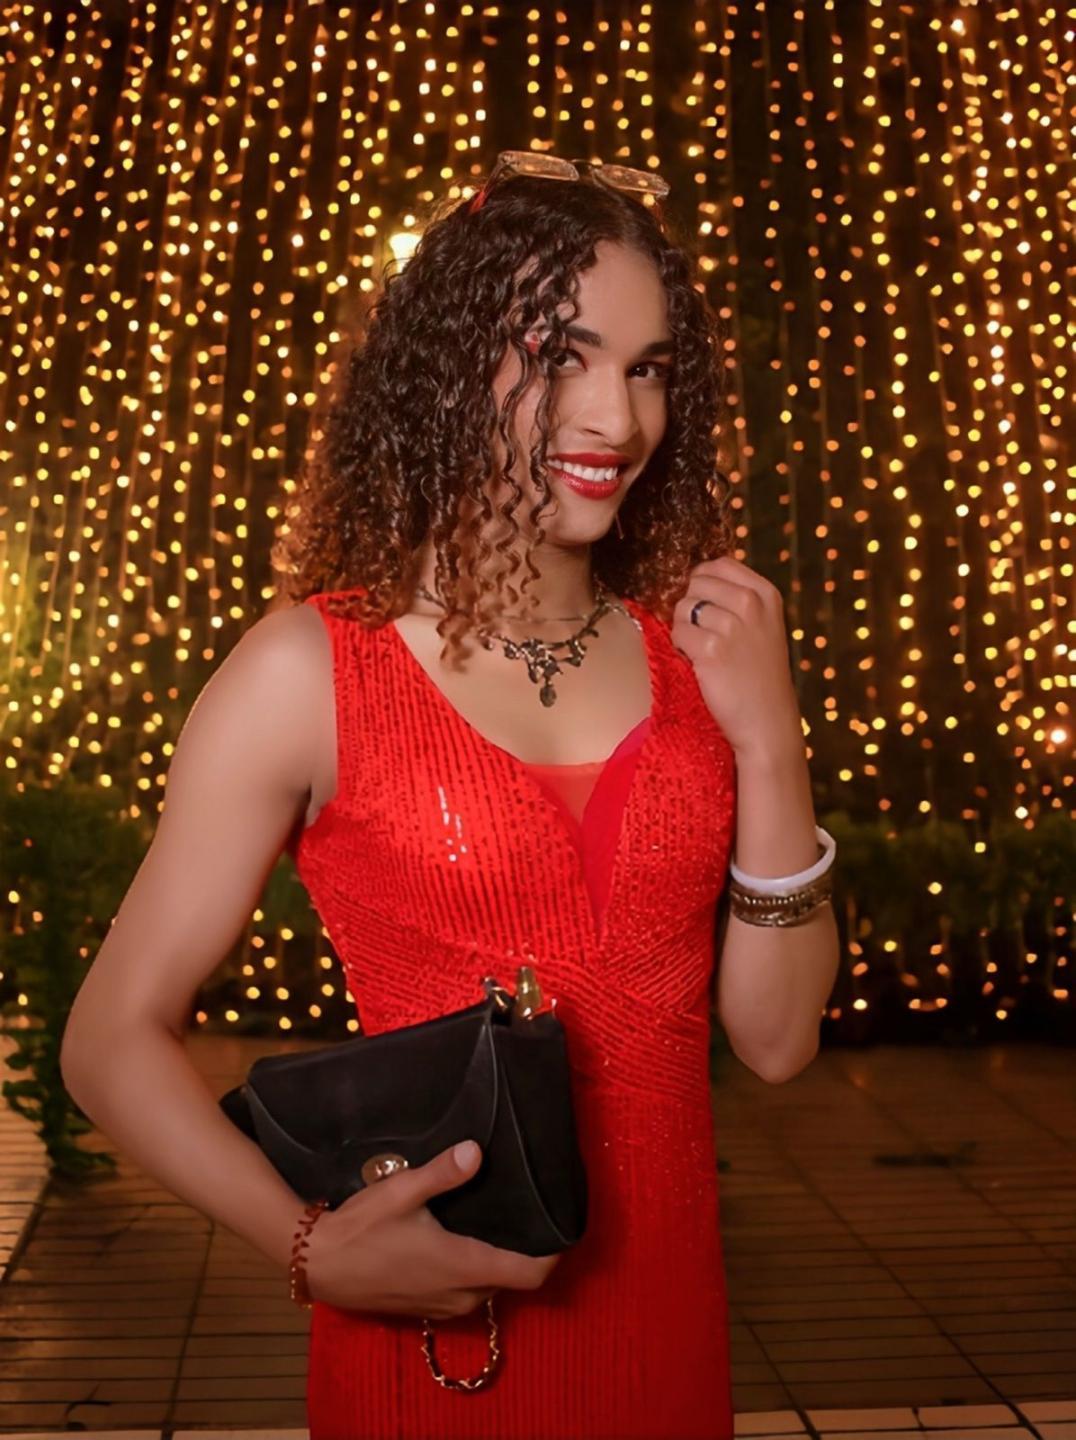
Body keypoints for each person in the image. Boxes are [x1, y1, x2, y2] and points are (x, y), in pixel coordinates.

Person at [60, 154, 831, 1438]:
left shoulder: (698, 659)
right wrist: (309, 1246)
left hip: (665, 1347)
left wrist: (770, 739)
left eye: (646, 368)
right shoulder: (309, 669)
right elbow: (108, 1039)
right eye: (558, 356)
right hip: (436, 1352)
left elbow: (776, 1037)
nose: (614, 418)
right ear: (449, 365)